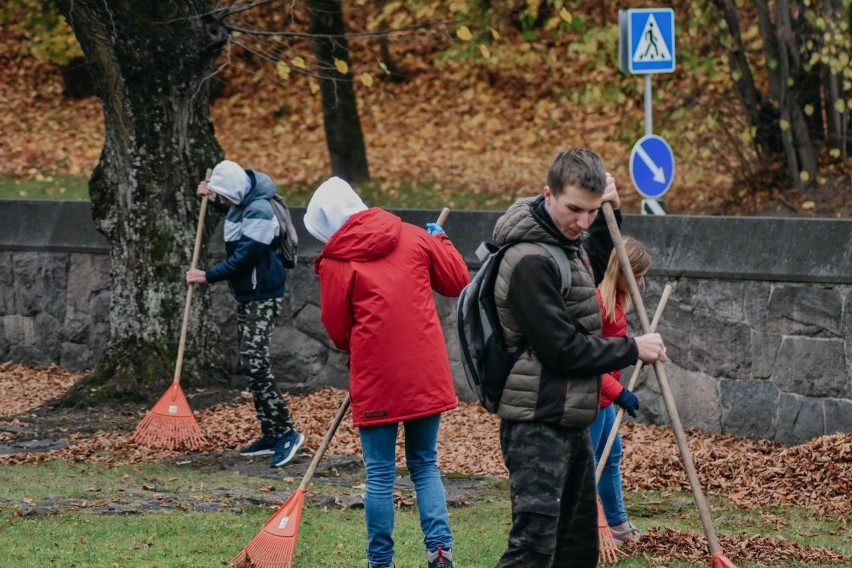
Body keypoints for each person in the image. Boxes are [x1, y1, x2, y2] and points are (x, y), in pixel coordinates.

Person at [490, 148, 668, 567]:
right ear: (547, 194)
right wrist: (631, 348)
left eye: (591, 212)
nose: (583, 223)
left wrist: (613, 214)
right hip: (536, 420)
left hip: (571, 416)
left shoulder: (565, 244)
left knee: (577, 547)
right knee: (533, 550)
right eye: (574, 209)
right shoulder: (529, 260)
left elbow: (599, 261)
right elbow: (561, 348)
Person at [303, 177, 469, 568]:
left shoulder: (336, 262)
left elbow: (338, 329)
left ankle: (380, 560)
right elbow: (457, 279)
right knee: (424, 463)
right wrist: (441, 241)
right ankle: (440, 550)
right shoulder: (413, 236)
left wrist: (361, 346)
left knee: (379, 472)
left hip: (376, 376)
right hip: (424, 372)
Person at [185, 160, 304, 468]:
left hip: (263, 294)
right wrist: (212, 199)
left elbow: (244, 257)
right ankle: (271, 433)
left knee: (256, 361)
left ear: (236, 192)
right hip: (249, 294)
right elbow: (234, 212)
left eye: (224, 197)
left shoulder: (260, 210)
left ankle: (288, 432)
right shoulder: (244, 202)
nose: (223, 203)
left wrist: (207, 276)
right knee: (251, 364)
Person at [590, 236, 652, 545]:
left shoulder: (616, 302)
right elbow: (588, 361)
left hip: (604, 398)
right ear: (622, 272)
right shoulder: (598, 304)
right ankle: (585, 528)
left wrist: (644, 350)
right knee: (586, 466)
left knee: (611, 456)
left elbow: (617, 350)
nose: (640, 283)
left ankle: (616, 523)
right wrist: (619, 393)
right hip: (589, 397)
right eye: (636, 275)